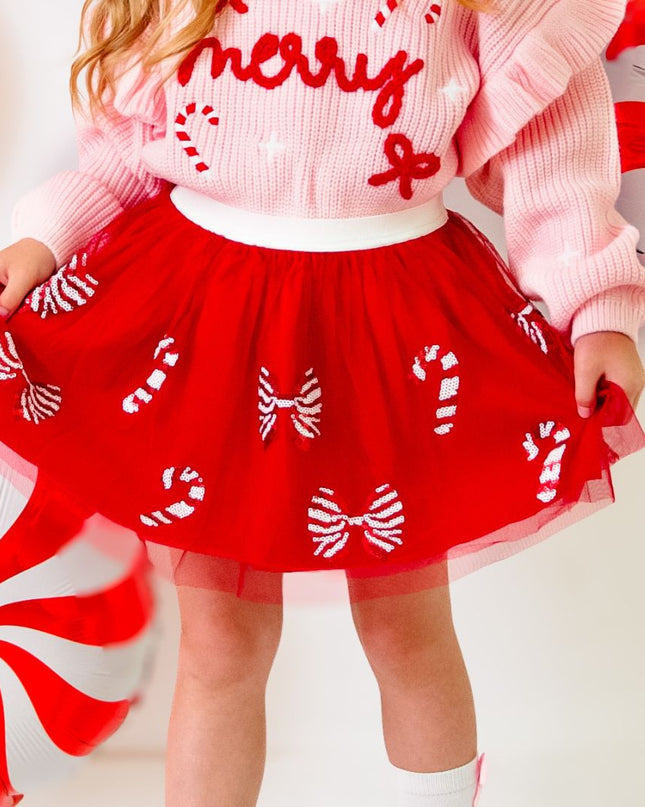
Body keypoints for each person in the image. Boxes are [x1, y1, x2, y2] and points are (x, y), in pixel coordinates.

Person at [0, 1, 644, 805]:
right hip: (211, 323)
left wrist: (597, 304)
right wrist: (45, 236)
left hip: (393, 328)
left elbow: (551, 148)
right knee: (221, 642)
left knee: (403, 629)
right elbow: (130, 156)